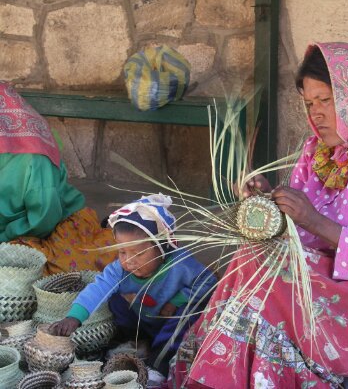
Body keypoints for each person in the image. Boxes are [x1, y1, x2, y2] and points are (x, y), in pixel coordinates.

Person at [170, 42, 348, 389]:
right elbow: (297, 232)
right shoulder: (319, 149)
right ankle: (236, 373)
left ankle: (266, 376)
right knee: (255, 256)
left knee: (266, 276)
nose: (315, 113)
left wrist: (313, 220)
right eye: (309, 103)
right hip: (331, 274)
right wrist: (269, 204)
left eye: (326, 100)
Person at [50, 194, 217, 374]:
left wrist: (177, 301)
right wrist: (74, 317)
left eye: (138, 254)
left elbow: (209, 281)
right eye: (122, 252)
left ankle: (157, 366)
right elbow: (97, 289)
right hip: (142, 321)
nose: (129, 261)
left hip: (169, 324)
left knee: (186, 315)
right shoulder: (119, 270)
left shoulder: (181, 264)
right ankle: (135, 342)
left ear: (162, 248)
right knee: (115, 300)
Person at [0, 81, 117, 274]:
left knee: (57, 270)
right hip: (12, 233)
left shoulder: (34, 158)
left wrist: (5, 236)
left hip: (49, 226)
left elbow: (44, 219)